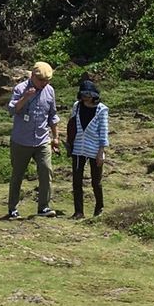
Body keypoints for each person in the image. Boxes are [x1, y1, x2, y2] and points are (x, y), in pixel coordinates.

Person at [6, 61, 59, 219]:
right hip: (21, 141)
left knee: (46, 171)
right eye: (41, 80)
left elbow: (52, 115)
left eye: (47, 81)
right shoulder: (20, 89)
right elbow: (11, 110)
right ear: (33, 76)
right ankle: (13, 209)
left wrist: (56, 137)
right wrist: (25, 97)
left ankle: (43, 207)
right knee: (17, 175)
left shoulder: (50, 91)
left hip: (42, 140)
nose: (44, 84)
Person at [67, 78, 109, 219]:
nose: (85, 97)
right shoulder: (77, 106)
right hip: (78, 148)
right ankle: (78, 211)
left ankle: (99, 208)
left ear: (93, 95)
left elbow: (103, 131)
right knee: (77, 181)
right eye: (83, 94)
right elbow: (71, 126)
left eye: (88, 95)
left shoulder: (101, 110)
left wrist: (101, 152)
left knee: (96, 181)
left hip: (94, 148)